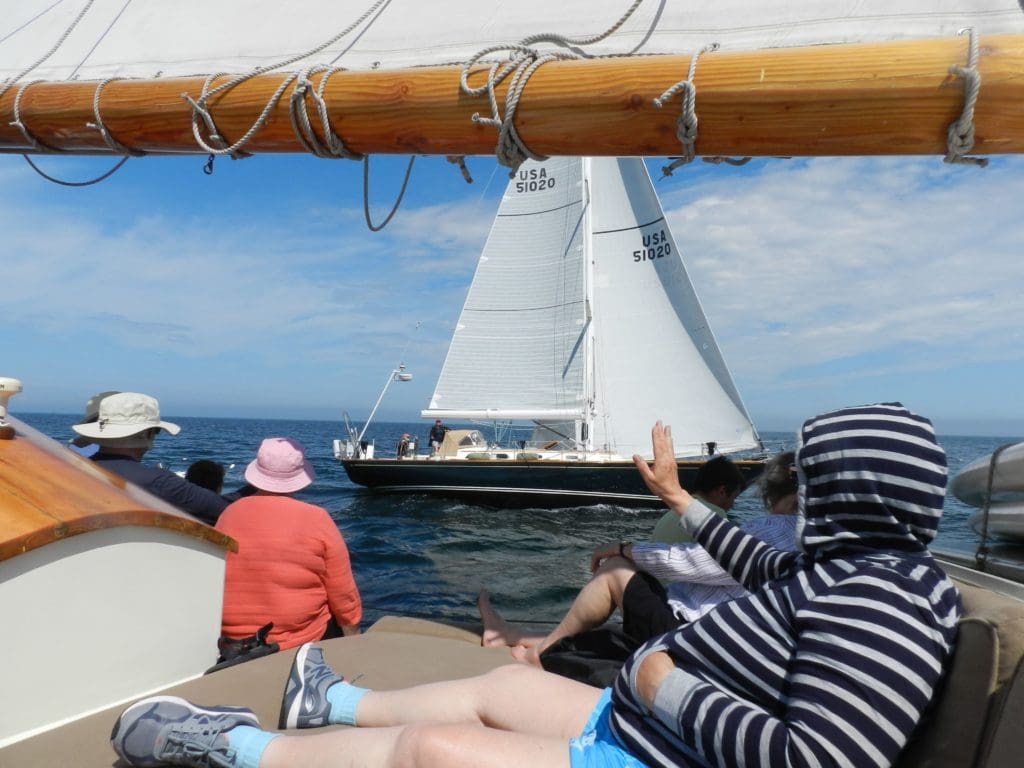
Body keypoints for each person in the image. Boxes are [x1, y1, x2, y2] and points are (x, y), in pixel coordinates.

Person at [110, 403, 960, 768]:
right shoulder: (854, 568)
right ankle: (325, 709)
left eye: (812, 476)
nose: (798, 491)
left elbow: (822, 759)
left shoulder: (878, 601)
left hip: (664, 748)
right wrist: (674, 499)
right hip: (647, 728)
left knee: (435, 753)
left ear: (852, 492)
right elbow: (755, 558)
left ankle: (234, 751)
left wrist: (668, 687)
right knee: (507, 681)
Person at [476, 451, 800, 679]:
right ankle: (515, 634)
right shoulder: (812, 541)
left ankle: (537, 655)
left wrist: (625, 550)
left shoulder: (774, 528)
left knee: (615, 570)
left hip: (694, 639)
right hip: (721, 645)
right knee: (608, 633)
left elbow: (697, 562)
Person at [215, 437, 363, 652]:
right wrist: (353, 637)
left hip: (234, 641)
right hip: (296, 641)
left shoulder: (229, 514)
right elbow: (343, 592)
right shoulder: (316, 518)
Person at [72, 391, 230, 525]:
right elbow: (226, 509)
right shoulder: (159, 482)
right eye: (156, 432)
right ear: (146, 434)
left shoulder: (77, 469)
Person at [648, 453, 746, 543]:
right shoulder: (716, 517)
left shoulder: (672, 513)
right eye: (734, 497)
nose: (733, 504)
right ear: (722, 491)